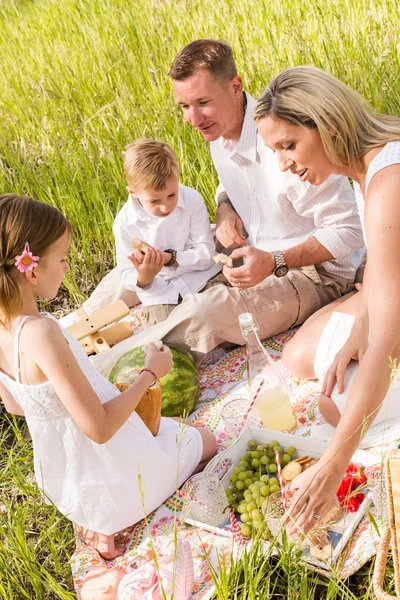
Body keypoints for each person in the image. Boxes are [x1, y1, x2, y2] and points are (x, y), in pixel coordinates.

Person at [93, 39, 365, 377]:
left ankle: (97, 378)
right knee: (144, 261)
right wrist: (224, 207)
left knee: (208, 310)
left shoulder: (290, 142)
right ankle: (63, 336)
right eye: (183, 106)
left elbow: (350, 231)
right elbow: (231, 182)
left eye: (202, 103)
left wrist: (275, 260)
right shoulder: (219, 131)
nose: (193, 119)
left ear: (235, 87)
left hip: (314, 273)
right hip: (253, 245)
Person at [0, 194, 216, 560]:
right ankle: (115, 516)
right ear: (32, 270)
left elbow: (17, 406)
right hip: (114, 470)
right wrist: (149, 374)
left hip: (71, 482)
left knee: (172, 427)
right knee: (207, 441)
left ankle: (97, 518)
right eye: (64, 258)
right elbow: (99, 428)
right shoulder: (41, 332)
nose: (67, 267)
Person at [254, 65, 400, 533]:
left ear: (329, 125)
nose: (283, 164)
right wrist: (358, 330)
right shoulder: (367, 171)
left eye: (289, 145)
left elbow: (385, 340)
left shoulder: (387, 184)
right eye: (275, 150)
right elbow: (382, 268)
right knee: (303, 360)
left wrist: (334, 464)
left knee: (335, 410)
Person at [114, 138, 224, 326]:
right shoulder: (124, 223)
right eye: (155, 201)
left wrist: (169, 258)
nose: (165, 207)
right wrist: (144, 277)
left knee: (223, 312)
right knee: (170, 335)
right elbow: (125, 273)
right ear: (133, 192)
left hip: (203, 279)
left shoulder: (192, 200)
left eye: (172, 195)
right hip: (161, 294)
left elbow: (206, 254)